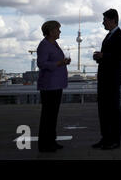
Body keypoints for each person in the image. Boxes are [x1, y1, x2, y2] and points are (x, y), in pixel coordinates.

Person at [92, 9, 121, 150]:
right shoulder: (108, 36)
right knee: (103, 110)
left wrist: (104, 56)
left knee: (113, 110)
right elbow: (111, 56)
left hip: (112, 79)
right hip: (104, 78)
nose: (103, 23)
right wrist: (99, 58)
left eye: (105, 20)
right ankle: (105, 138)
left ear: (113, 20)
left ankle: (114, 140)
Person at [36, 20, 70, 153]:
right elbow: (41, 63)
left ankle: (51, 141)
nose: (59, 31)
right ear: (51, 31)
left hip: (56, 84)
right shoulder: (44, 45)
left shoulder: (53, 44)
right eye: (58, 29)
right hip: (49, 85)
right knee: (48, 115)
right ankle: (45, 144)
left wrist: (62, 62)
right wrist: (59, 63)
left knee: (52, 115)